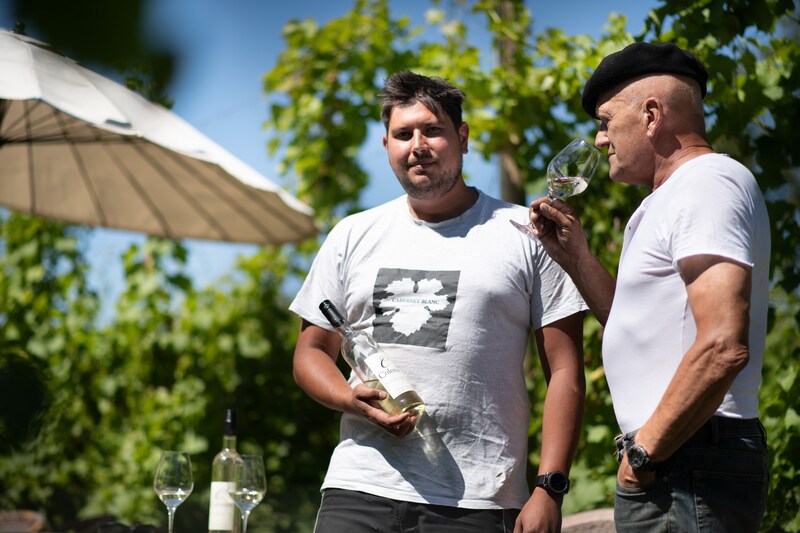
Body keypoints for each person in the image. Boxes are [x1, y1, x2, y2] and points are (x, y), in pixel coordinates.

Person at [289, 71, 587, 533]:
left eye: (432, 130)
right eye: (403, 134)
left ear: (462, 138)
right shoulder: (352, 234)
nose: (417, 146)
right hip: (359, 487)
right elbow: (310, 352)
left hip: (478, 500)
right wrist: (350, 399)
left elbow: (565, 371)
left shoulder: (526, 234)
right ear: (386, 144)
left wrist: (550, 488)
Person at [529, 42, 770, 532]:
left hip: (687, 457)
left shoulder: (706, 183)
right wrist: (576, 258)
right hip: (679, 456)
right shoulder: (667, 198)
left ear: (652, 115)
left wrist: (643, 455)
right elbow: (635, 325)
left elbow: (723, 345)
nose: (599, 140)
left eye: (605, 121)